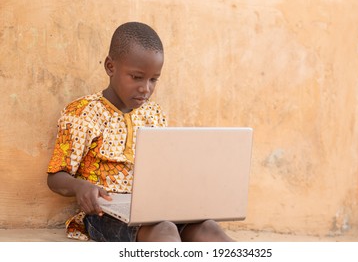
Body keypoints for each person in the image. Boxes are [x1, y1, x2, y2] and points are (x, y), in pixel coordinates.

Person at [47, 21, 234, 242]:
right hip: (103, 212)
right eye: (136, 77)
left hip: (153, 206)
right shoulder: (82, 113)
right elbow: (55, 177)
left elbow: (163, 171)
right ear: (110, 67)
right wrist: (80, 187)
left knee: (209, 229)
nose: (146, 88)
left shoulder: (155, 114)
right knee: (164, 231)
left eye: (153, 79)